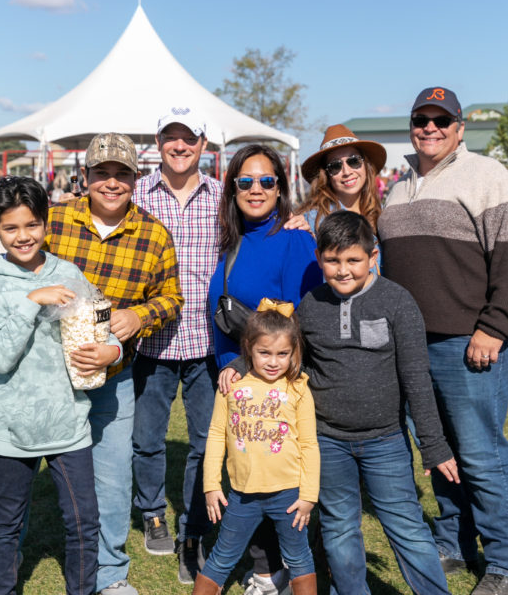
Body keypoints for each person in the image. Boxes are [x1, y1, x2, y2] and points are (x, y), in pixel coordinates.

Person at [0, 133, 183, 595]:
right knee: (1, 499)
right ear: (85, 177)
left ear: (134, 179)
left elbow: (170, 298)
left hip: (104, 379)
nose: (111, 182)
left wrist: (130, 325)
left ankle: (109, 576)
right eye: (101, 172)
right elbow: (15, 252)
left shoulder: (153, 233)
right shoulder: (55, 217)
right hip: (27, 393)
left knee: (107, 482)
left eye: (121, 174)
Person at [221, 211, 458, 595]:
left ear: (373, 256)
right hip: (327, 441)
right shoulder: (312, 305)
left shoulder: (397, 302)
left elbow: (416, 378)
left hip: (386, 441)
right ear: (319, 259)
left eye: (353, 260)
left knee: (406, 526)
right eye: (332, 260)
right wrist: (237, 364)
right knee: (339, 527)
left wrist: (432, 445)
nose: (343, 270)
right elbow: (278, 348)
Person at [378, 86, 508, 595]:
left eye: (441, 120)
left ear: (459, 128)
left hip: (473, 340)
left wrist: (495, 325)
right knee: (439, 448)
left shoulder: (488, 175)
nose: (430, 127)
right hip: (415, 344)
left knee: (481, 453)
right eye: (421, 119)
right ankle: (452, 540)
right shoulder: (400, 188)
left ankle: (507, 563)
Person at [0, 176, 117, 595]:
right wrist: (32, 301)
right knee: (5, 522)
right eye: (10, 228)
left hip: (68, 423)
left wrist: (113, 351)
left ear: (45, 223)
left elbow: (98, 329)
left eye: (31, 225)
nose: (23, 236)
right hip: (11, 430)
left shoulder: (68, 273)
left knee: (83, 522)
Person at [207, 143, 323, 595]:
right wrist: (228, 366)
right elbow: (225, 315)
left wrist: (273, 369)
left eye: (267, 181)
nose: (256, 189)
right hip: (236, 376)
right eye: (246, 181)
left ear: (280, 186)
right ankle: (262, 568)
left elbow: (304, 318)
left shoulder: (294, 238)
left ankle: (284, 568)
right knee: (246, 469)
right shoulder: (231, 239)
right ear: (233, 187)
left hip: (278, 379)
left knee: (281, 474)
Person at [132, 110, 223, 584]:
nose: (181, 146)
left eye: (190, 138)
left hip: (208, 341)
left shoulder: (224, 196)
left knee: (206, 443)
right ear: (158, 142)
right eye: (172, 138)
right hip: (151, 339)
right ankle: (150, 512)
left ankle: (194, 531)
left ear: (203, 144)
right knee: (147, 439)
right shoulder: (133, 193)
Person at [194, 302, 319, 595]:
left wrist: (309, 495)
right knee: (222, 558)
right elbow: (215, 436)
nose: (273, 361)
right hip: (241, 497)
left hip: (290, 496)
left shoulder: (299, 387)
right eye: (265, 353)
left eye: (282, 354)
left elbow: (309, 444)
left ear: (294, 353)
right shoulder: (230, 386)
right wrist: (211, 485)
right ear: (249, 348)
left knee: (299, 558)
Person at [297, 124, 386, 235]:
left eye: (354, 161)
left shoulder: (384, 214)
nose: (347, 172)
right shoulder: (310, 221)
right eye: (335, 166)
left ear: (366, 166)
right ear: (326, 175)